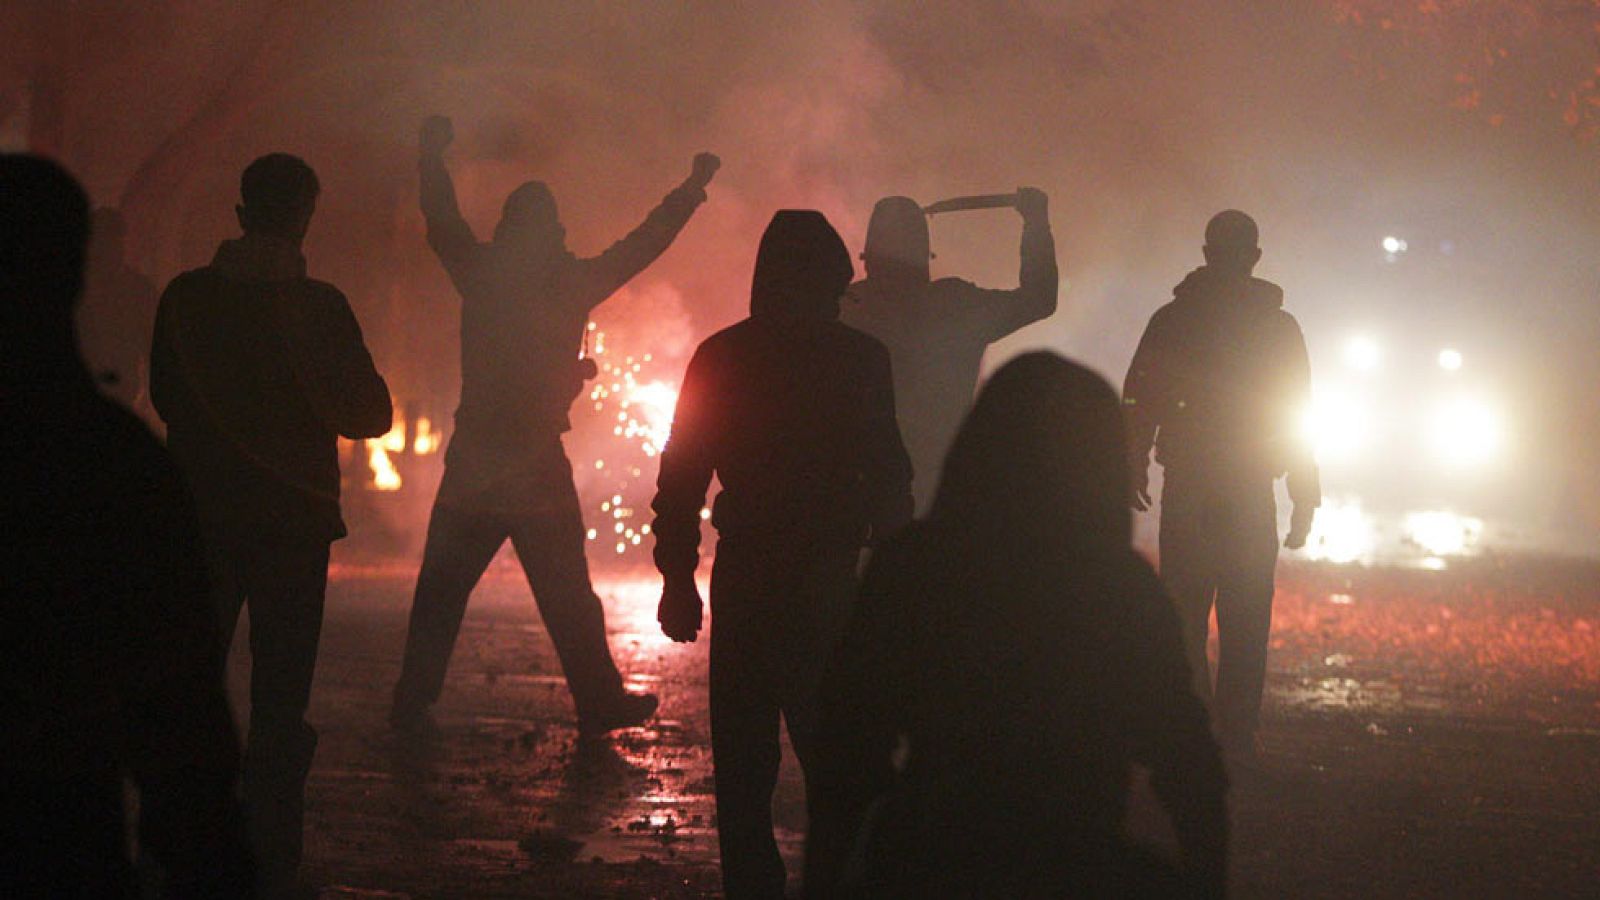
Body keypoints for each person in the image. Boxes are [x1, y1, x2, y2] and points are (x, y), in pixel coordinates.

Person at [806, 352, 1227, 899]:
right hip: (1076, 863)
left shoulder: (914, 567)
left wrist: (825, 876)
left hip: (929, 859)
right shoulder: (1121, 588)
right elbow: (1190, 765)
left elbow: (849, 746)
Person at [391, 115, 718, 738]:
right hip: (535, 460)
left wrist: (430, 155)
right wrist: (693, 188)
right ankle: (596, 700)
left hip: (478, 457)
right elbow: (645, 242)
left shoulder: (482, 274)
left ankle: (412, 701)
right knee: (567, 595)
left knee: (441, 593)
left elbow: (442, 220)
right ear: (550, 234)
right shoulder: (570, 282)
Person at [2, 154, 253, 897]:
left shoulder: (116, 460)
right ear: (75, 278)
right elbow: (178, 709)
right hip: (59, 834)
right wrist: (211, 860)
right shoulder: (113, 463)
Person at [652, 210, 913, 899]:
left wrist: (679, 578)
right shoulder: (861, 359)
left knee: (745, 769)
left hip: (753, 577)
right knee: (835, 763)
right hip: (825, 583)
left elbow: (682, 477)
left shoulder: (725, 356)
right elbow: (891, 478)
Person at [151, 152, 393, 895]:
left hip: (203, 516)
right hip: (293, 523)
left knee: (189, 687)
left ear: (240, 214)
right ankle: (269, 860)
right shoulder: (320, 307)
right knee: (281, 701)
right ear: (305, 217)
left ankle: (176, 853)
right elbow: (372, 415)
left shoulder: (186, 298)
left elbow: (164, 393)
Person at [1122, 210, 1321, 765]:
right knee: (1247, 619)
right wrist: (1304, 493)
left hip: (1189, 488)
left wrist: (1134, 461)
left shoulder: (1173, 321)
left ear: (1207, 253)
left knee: (1184, 614)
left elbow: (1138, 396)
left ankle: (1198, 729)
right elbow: (1297, 414)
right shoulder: (1278, 329)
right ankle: (1236, 737)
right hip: (1249, 490)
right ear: (1253, 257)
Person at [842, 189, 1057, 512]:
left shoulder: (843, 309)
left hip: (859, 488)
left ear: (868, 256)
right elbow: (1038, 299)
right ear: (924, 253)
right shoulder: (956, 306)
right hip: (943, 488)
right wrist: (1036, 225)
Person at [76, 206, 159, 419]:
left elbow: (154, 347)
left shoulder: (138, 290)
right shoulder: (137, 288)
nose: (106, 249)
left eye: (111, 241)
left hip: (122, 394)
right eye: (102, 241)